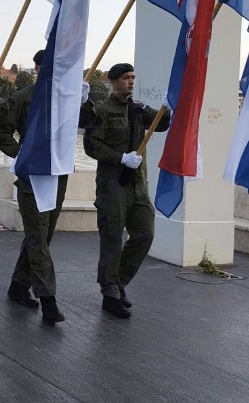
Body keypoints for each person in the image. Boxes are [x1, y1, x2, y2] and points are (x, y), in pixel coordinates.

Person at [0, 49, 96, 325]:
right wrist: (20, 154)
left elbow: (88, 123)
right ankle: (48, 299)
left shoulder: (68, 99)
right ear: (37, 69)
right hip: (31, 176)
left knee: (44, 235)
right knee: (37, 236)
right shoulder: (24, 98)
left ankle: (18, 285)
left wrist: (84, 102)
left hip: (57, 174)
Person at [83, 63, 171, 319]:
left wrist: (168, 109)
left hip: (137, 184)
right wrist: (120, 157)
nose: (131, 82)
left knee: (145, 234)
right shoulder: (102, 111)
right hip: (113, 185)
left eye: (133, 77)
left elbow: (161, 124)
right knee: (111, 238)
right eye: (125, 78)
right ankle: (109, 291)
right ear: (112, 82)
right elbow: (92, 146)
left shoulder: (138, 109)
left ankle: (118, 281)